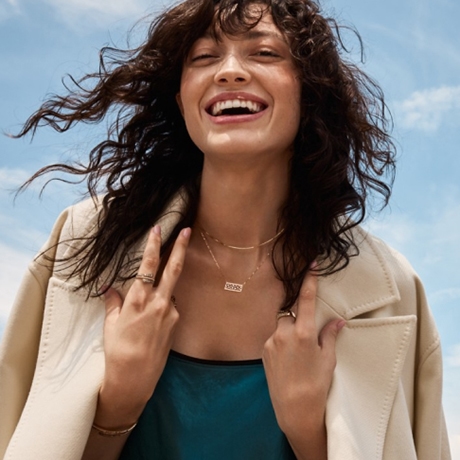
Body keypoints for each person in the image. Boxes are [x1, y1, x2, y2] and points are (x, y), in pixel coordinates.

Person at [0, 0, 451, 458]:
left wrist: (310, 433)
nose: (230, 71)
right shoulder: (83, 243)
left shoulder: (391, 290)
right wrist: (115, 407)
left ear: (309, 92)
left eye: (265, 54)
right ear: (181, 99)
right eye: (204, 57)